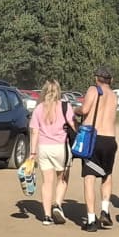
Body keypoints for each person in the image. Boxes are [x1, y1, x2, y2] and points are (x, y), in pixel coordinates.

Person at [77, 67, 119, 231]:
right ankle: (105, 210)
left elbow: (85, 109)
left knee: (89, 177)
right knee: (106, 175)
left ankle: (90, 219)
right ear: (111, 80)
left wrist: (75, 110)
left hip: (93, 138)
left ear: (96, 78)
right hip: (110, 139)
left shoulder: (93, 90)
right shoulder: (114, 95)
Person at [28, 79, 75, 224]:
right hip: (61, 147)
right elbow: (73, 125)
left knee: (47, 182)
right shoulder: (65, 106)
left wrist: (32, 153)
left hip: (44, 148)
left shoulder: (38, 109)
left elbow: (34, 132)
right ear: (59, 91)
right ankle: (58, 204)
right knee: (63, 178)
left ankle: (47, 216)